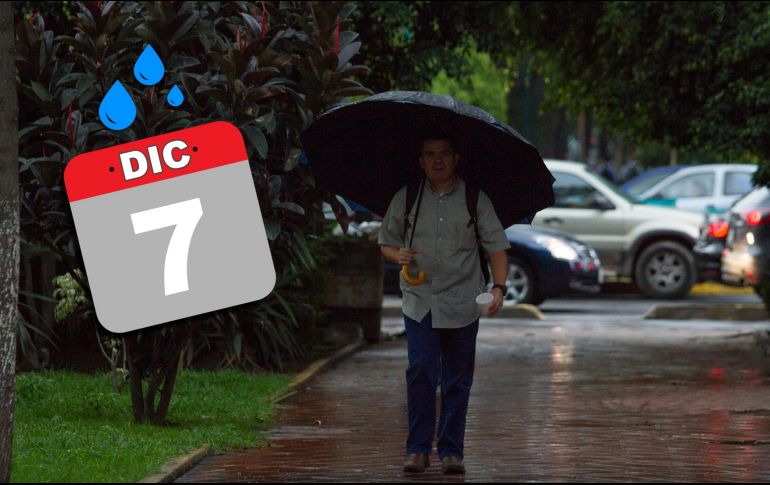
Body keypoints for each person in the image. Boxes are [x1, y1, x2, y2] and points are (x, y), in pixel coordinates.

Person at [378, 133, 511, 475]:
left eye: (444, 154)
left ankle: (452, 451)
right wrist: (397, 253)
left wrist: (499, 288)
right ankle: (418, 449)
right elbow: (386, 243)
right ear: (421, 161)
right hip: (420, 300)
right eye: (429, 155)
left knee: (457, 378)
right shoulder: (407, 198)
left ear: (456, 158)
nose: (437, 160)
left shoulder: (474, 198)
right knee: (421, 371)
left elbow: (496, 246)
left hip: (463, 301)